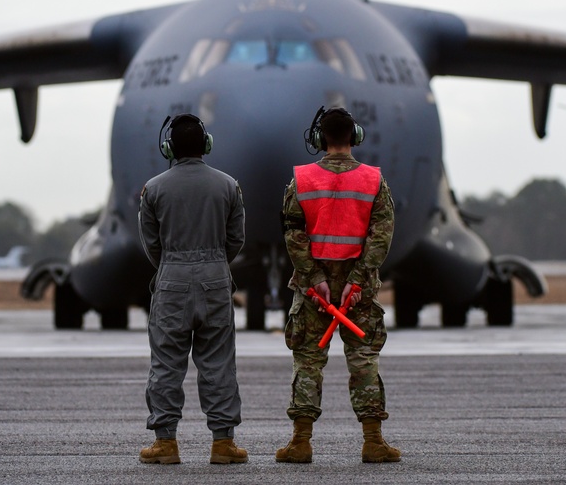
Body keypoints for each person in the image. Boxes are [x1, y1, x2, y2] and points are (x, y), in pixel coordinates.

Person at [275, 106, 401, 463]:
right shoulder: (373, 180)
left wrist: (314, 279)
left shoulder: (301, 180)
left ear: (320, 139)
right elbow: (381, 237)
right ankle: (373, 442)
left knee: (307, 361)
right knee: (363, 360)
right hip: (356, 290)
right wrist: (358, 280)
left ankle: (300, 443)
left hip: (314, 291)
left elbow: (293, 235)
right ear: (354, 137)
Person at [137, 113, 248, 465]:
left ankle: (166, 443)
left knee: (167, 363)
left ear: (168, 148)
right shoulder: (229, 185)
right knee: (218, 363)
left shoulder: (153, 189)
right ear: (207, 145)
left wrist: (172, 264)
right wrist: (214, 262)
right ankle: (223, 443)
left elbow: (151, 244)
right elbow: (236, 239)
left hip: (171, 279)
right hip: (216, 278)